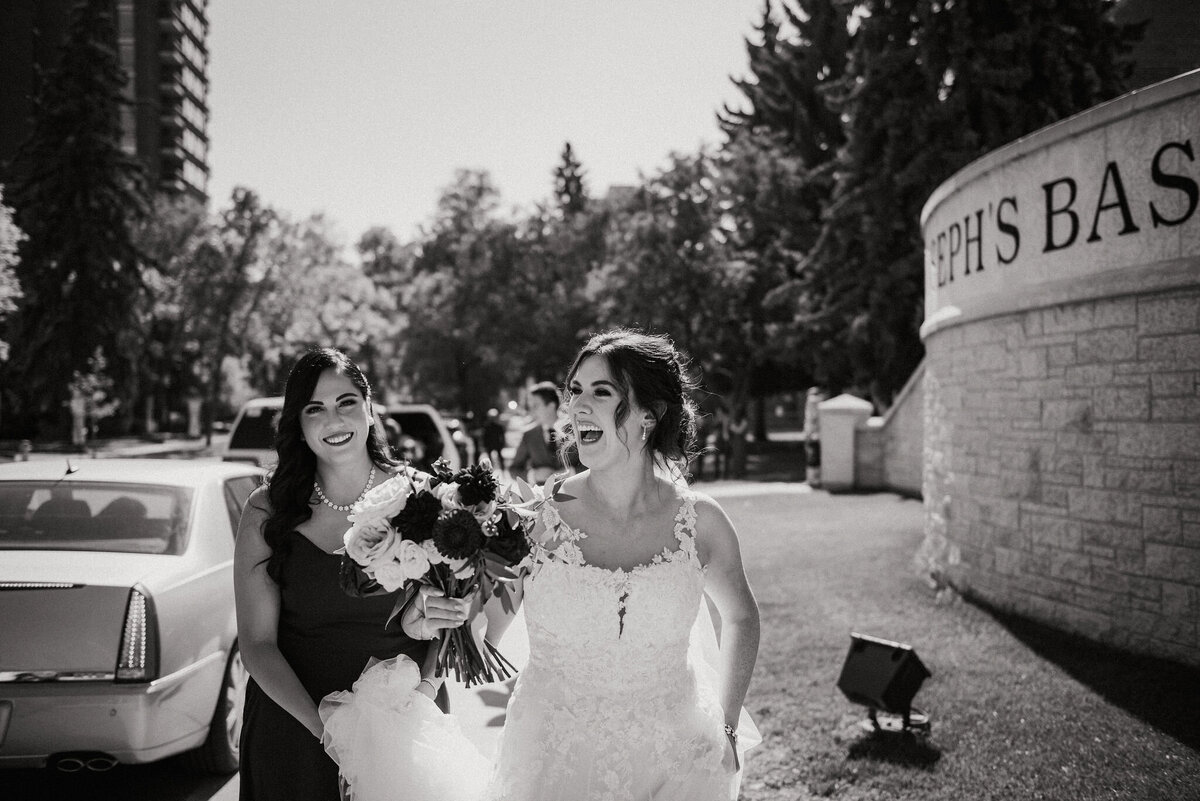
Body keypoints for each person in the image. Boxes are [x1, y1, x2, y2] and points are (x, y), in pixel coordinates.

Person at [233, 348, 466, 801]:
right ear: (297, 425)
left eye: (346, 402)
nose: (334, 421)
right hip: (296, 730)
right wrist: (331, 734)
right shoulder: (265, 509)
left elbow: (450, 620)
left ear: (369, 407)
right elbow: (256, 645)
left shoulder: (423, 496)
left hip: (403, 724)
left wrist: (425, 689)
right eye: (314, 409)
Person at [508, 381, 569, 485]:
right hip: (543, 498)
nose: (531, 411)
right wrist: (533, 475)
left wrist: (571, 472)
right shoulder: (529, 434)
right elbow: (514, 470)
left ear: (551, 406)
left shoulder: (574, 429)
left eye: (535, 406)